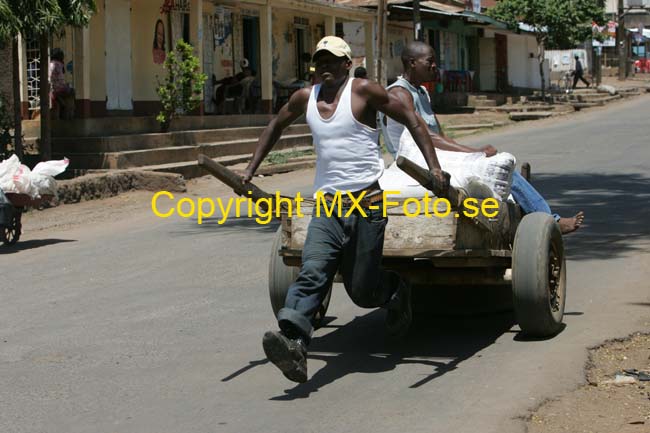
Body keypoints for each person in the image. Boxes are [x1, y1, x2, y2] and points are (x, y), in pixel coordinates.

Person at [241, 36, 449, 383]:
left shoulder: (365, 92)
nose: (324, 66)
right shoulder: (304, 98)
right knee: (313, 269)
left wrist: (435, 169)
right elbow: (275, 126)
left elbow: (413, 120)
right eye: (319, 60)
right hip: (327, 206)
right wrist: (251, 168)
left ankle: (396, 289)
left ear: (346, 64)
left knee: (362, 290)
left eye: (332, 60)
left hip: (367, 205)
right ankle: (293, 342)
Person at [384, 41, 584, 234]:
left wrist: (471, 154)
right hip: (414, 160)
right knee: (501, 167)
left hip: (433, 156)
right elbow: (426, 137)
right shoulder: (400, 94)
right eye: (429, 61)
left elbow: (441, 137)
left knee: (493, 168)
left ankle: (526, 220)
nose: (435, 66)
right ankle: (550, 221)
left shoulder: (422, 92)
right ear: (412, 62)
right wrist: (475, 153)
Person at [49, 48, 75, 120]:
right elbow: (61, 79)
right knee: (72, 91)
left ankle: (60, 101)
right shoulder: (59, 64)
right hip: (59, 87)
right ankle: (69, 113)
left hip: (52, 88)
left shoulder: (50, 63)